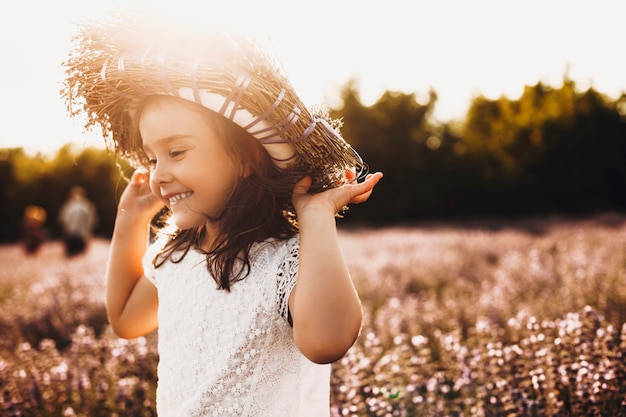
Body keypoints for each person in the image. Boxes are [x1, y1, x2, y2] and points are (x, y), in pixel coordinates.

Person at [62, 14, 382, 416]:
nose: (159, 173)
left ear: (247, 158)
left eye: (177, 152)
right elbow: (126, 319)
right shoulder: (177, 258)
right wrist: (130, 217)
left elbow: (327, 341)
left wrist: (316, 215)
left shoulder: (286, 261)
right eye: (151, 157)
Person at [57, 185, 98, 256]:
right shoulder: (88, 206)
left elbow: (62, 220)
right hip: (83, 237)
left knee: (70, 260)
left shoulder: (68, 206)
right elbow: (92, 222)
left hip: (70, 236)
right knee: (80, 259)